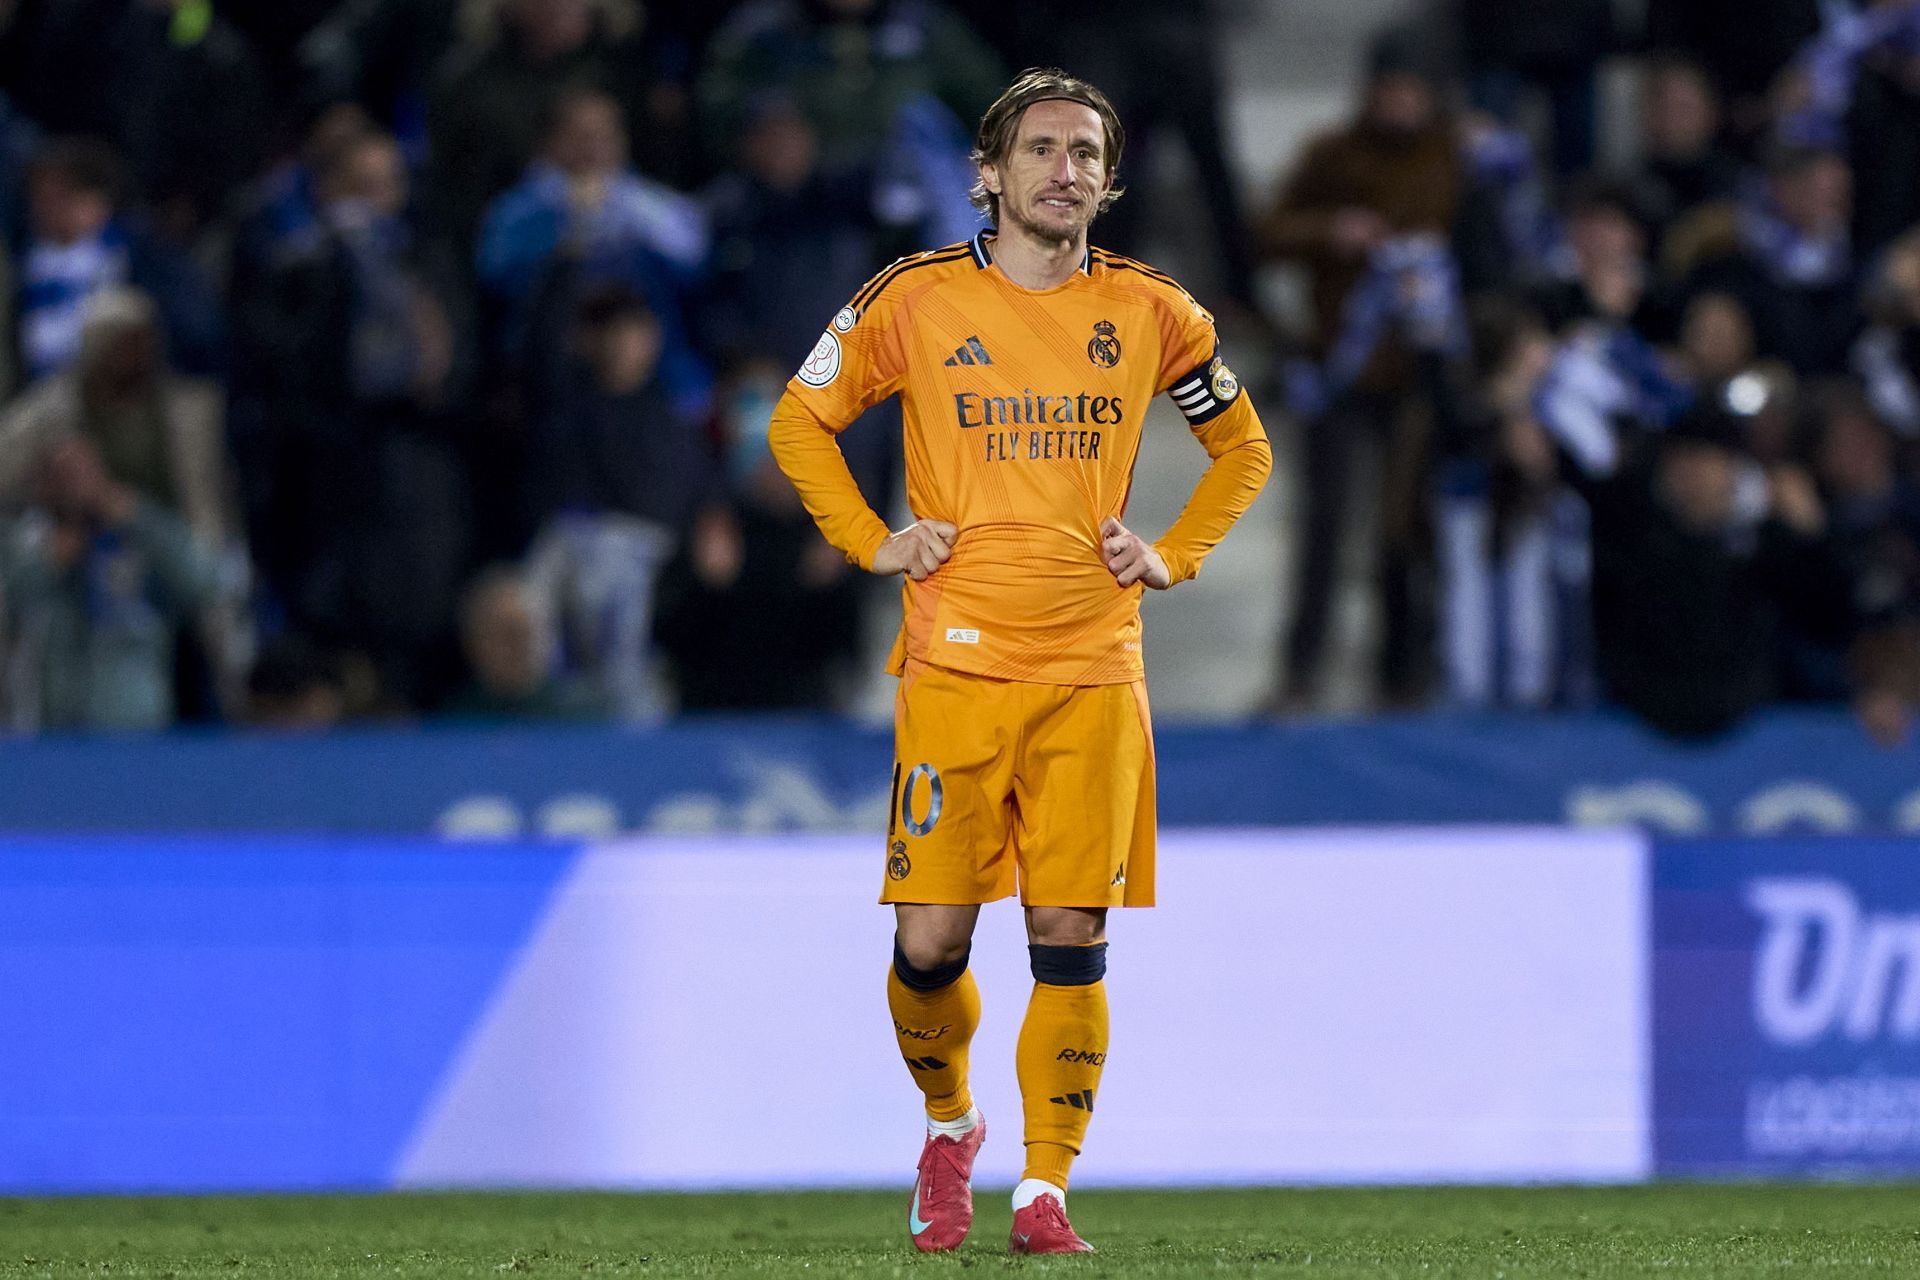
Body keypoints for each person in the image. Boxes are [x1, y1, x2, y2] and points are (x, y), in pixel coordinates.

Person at [768, 68, 1271, 1254]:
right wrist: (873, 539)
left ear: (1110, 178)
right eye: (1042, 150)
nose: (1066, 171)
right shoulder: (916, 298)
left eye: (1087, 153)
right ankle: (951, 1123)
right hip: (954, 664)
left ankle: (1045, 1189)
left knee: (1069, 932)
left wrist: (1174, 551)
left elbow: (1241, 447)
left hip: (1096, 667)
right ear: (988, 174)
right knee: (932, 941)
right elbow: (801, 419)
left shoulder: (1154, 310)